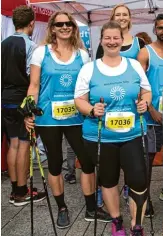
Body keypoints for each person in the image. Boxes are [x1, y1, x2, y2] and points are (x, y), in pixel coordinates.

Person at [24, 11, 110, 228]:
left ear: (73, 27)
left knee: (87, 161)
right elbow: (34, 86)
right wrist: (28, 111)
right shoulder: (40, 53)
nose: (64, 27)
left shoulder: (82, 55)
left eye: (68, 23)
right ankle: (62, 206)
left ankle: (91, 208)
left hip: (76, 117)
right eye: (59, 24)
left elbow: (88, 86)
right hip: (48, 117)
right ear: (52, 28)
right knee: (54, 162)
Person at [74, 20, 152, 236]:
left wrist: (145, 102)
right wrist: (91, 110)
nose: (112, 41)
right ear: (101, 40)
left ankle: (137, 226)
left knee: (138, 179)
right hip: (100, 136)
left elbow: (146, 91)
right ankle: (116, 221)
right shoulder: (89, 68)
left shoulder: (134, 65)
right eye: (107, 38)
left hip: (133, 134)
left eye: (115, 37)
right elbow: (78, 100)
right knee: (108, 180)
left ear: (122, 39)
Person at [96, 3, 146, 202]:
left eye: (125, 14)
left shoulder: (139, 42)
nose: (122, 17)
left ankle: (130, 187)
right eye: (118, 14)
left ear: (130, 17)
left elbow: (144, 75)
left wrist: (144, 98)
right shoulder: (107, 41)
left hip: (132, 106)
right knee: (110, 158)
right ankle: (107, 188)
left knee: (132, 156)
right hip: (110, 105)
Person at [1, 5, 46, 206]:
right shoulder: (30, 46)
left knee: (12, 143)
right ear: (31, 23)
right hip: (21, 100)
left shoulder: (3, 43)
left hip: (5, 99)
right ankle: (21, 192)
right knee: (23, 144)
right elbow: (32, 77)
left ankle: (15, 189)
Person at [137, 13, 163, 218]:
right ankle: (145, 198)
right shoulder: (145, 52)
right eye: (160, 28)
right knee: (149, 158)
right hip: (150, 118)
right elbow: (138, 85)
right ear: (155, 29)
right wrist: (151, 110)